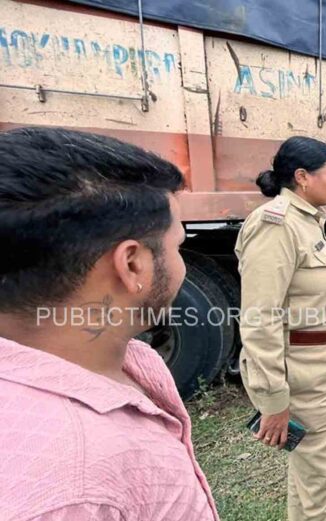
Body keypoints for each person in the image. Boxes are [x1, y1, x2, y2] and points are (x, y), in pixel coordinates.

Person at [0, 128, 218, 519]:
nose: (181, 262)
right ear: (132, 264)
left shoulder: (128, 363)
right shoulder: (72, 491)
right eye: (179, 246)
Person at [236, 136, 326, 521]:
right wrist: (274, 401)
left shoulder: (305, 220)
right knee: (322, 480)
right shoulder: (277, 225)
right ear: (302, 177)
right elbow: (260, 317)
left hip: (318, 372)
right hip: (302, 376)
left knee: (309, 474)